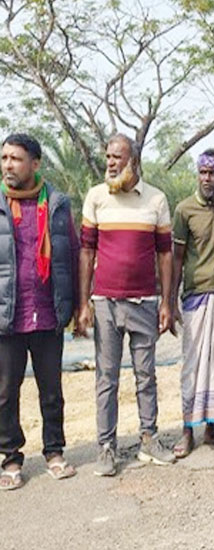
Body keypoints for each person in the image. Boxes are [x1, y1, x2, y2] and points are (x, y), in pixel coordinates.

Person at [77, 134, 176, 476]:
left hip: (145, 301)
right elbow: (86, 252)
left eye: (118, 157)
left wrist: (166, 302)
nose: (110, 162)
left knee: (146, 375)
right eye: (107, 156)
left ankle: (149, 439)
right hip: (105, 302)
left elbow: (166, 253)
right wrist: (84, 304)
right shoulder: (96, 197)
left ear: (134, 160)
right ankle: (107, 448)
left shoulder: (156, 200)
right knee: (107, 378)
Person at [0, 133, 79, 490]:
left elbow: (73, 258)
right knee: (5, 392)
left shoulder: (58, 205)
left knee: (51, 389)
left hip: (47, 313)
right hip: (8, 315)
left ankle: (54, 452)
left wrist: (79, 306)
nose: (8, 165)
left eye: (15, 159)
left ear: (35, 164)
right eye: (4, 159)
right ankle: (11, 458)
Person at [171, 149, 214, 458]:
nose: (207, 178)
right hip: (196, 296)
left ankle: (212, 428)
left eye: (213, 173)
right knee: (193, 365)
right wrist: (169, 301)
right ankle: (188, 430)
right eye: (202, 173)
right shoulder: (185, 209)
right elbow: (176, 257)